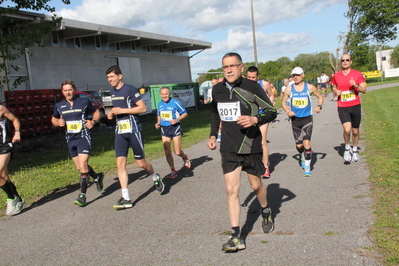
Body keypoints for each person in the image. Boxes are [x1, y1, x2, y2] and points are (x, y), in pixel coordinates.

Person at [207, 52, 277, 251]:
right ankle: (236, 235)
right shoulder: (217, 90)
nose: (228, 70)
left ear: (241, 67)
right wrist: (213, 135)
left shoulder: (252, 87)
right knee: (231, 190)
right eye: (225, 67)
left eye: (232, 66)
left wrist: (255, 120)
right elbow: (214, 112)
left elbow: (271, 111)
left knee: (256, 186)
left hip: (250, 144)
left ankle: (265, 209)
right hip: (228, 147)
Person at [106, 65, 163, 210]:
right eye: (108, 78)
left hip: (133, 130)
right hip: (120, 130)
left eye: (112, 77)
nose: (109, 80)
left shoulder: (130, 89)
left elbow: (143, 108)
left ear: (120, 76)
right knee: (120, 164)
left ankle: (155, 176)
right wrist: (111, 114)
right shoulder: (111, 92)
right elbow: (114, 110)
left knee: (141, 164)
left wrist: (122, 110)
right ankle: (126, 197)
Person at [52, 79, 104, 207]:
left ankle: (82, 195)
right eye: (65, 90)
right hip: (70, 139)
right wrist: (58, 123)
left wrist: (93, 122)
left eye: (70, 90)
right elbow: (53, 118)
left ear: (74, 90)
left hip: (83, 137)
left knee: (83, 164)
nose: (68, 92)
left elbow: (97, 112)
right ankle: (97, 176)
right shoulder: (59, 105)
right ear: (62, 92)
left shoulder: (84, 101)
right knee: (80, 167)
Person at [281, 67, 324, 176]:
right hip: (295, 120)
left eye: (298, 75)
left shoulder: (309, 87)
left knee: (306, 142)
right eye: (294, 75)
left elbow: (320, 96)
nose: (295, 77)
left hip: (307, 119)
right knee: (299, 146)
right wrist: (287, 111)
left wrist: (319, 106)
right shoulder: (289, 89)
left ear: (303, 75)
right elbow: (283, 102)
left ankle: (308, 167)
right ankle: (302, 154)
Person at [331, 54, 366, 163]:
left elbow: (364, 90)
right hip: (343, 106)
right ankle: (347, 148)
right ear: (340, 62)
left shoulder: (357, 74)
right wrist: (335, 91)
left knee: (355, 131)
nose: (345, 62)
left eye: (347, 60)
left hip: (355, 105)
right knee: (347, 129)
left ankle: (354, 150)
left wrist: (355, 85)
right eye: (343, 60)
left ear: (351, 61)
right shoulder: (336, 75)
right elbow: (333, 87)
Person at [155, 86, 191, 179]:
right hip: (164, 129)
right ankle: (173, 170)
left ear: (169, 93)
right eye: (162, 94)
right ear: (160, 95)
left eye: (166, 94)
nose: (164, 96)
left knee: (177, 151)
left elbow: (185, 113)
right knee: (167, 151)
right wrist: (158, 123)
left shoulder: (176, 103)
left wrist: (177, 119)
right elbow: (159, 115)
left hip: (175, 128)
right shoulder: (159, 104)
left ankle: (184, 157)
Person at [246, 66, 273, 179]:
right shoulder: (243, 85)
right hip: (249, 117)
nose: (251, 79)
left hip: (262, 116)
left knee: (262, 141)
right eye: (249, 77)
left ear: (258, 76)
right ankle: (255, 164)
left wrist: (269, 109)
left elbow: (271, 95)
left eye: (253, 77)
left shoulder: (264, 84)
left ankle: (266, 166)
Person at [0, 105, 25, 215]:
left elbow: (15, 119)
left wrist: (17, 131)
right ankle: (19, 200)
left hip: (4, 147)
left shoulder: (0, 108)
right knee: (4, 177)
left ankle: (11, 199)